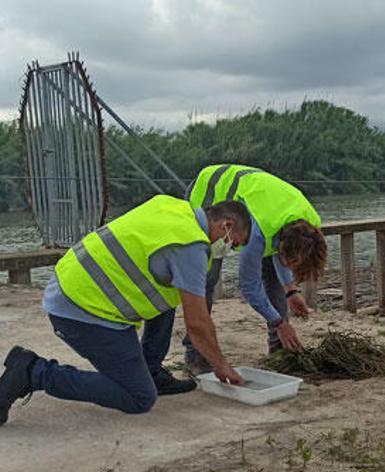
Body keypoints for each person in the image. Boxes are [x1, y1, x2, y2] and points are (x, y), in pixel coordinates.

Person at [0, 195, 251, 425]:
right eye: (234, 244)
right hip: (82, 311)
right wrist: (221, 365)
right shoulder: (191, 248)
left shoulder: (172, 207)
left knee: (171, 297)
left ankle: (150, 371)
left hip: (69, 283)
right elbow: (198, 324)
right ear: (226, 225)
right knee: (139, 397)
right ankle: (33, 372)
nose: (229, 249)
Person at [183, 164, 327, 374]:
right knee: (206, 278)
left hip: (258, 201)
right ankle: (196, 353)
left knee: (273, 278)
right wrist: (279, 323)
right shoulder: (256, 233)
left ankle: (279, 349)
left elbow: (282, 256)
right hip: (210, 189)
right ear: (282, 244)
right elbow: (249, 286)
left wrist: (291, 290)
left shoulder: (309, 226)